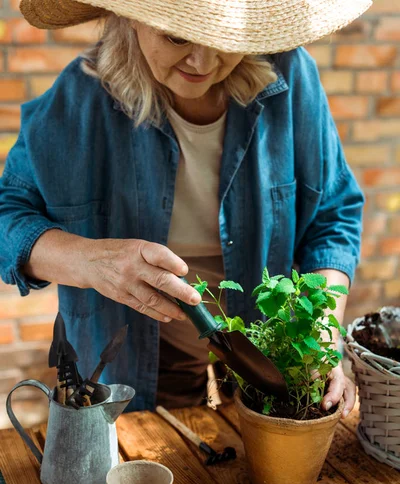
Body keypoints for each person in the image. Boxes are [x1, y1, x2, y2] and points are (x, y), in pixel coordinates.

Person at [0, 0, 371, 414]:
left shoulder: (289, 76)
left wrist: (321, 333)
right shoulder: (79, 98)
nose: (203, 61)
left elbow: (333, 214)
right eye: (178, 36)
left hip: (273, 341)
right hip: (144, 351)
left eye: (225, 38)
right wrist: (92, 261)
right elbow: (7, 217)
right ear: (131, 17)